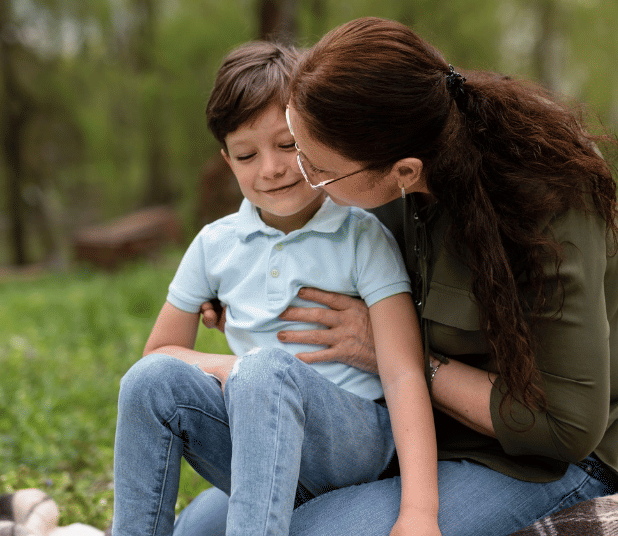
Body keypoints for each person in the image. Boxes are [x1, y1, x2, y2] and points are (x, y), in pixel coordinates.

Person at [180, 16, 618, 536]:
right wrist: (241, 288)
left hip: (550, 463)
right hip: (412, 440)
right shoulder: (378, 178)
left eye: (318, 169)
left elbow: (566, 426)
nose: (302, 177)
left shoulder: (549, 206)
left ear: (404, 170)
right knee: (196, 530)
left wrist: (387, 352)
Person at [111, 41, 441, 536]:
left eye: (288, 145)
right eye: (247, 154)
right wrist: (238, 369)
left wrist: (419, 511)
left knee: (265, 371)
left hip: (354, 443)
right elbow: (159, 354)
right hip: (255, 440)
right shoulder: (215, 245)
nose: (271, 168)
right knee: (148, 381)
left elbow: (403, 374)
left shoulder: (360, 236)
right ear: (228, 161)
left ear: (315, 139)